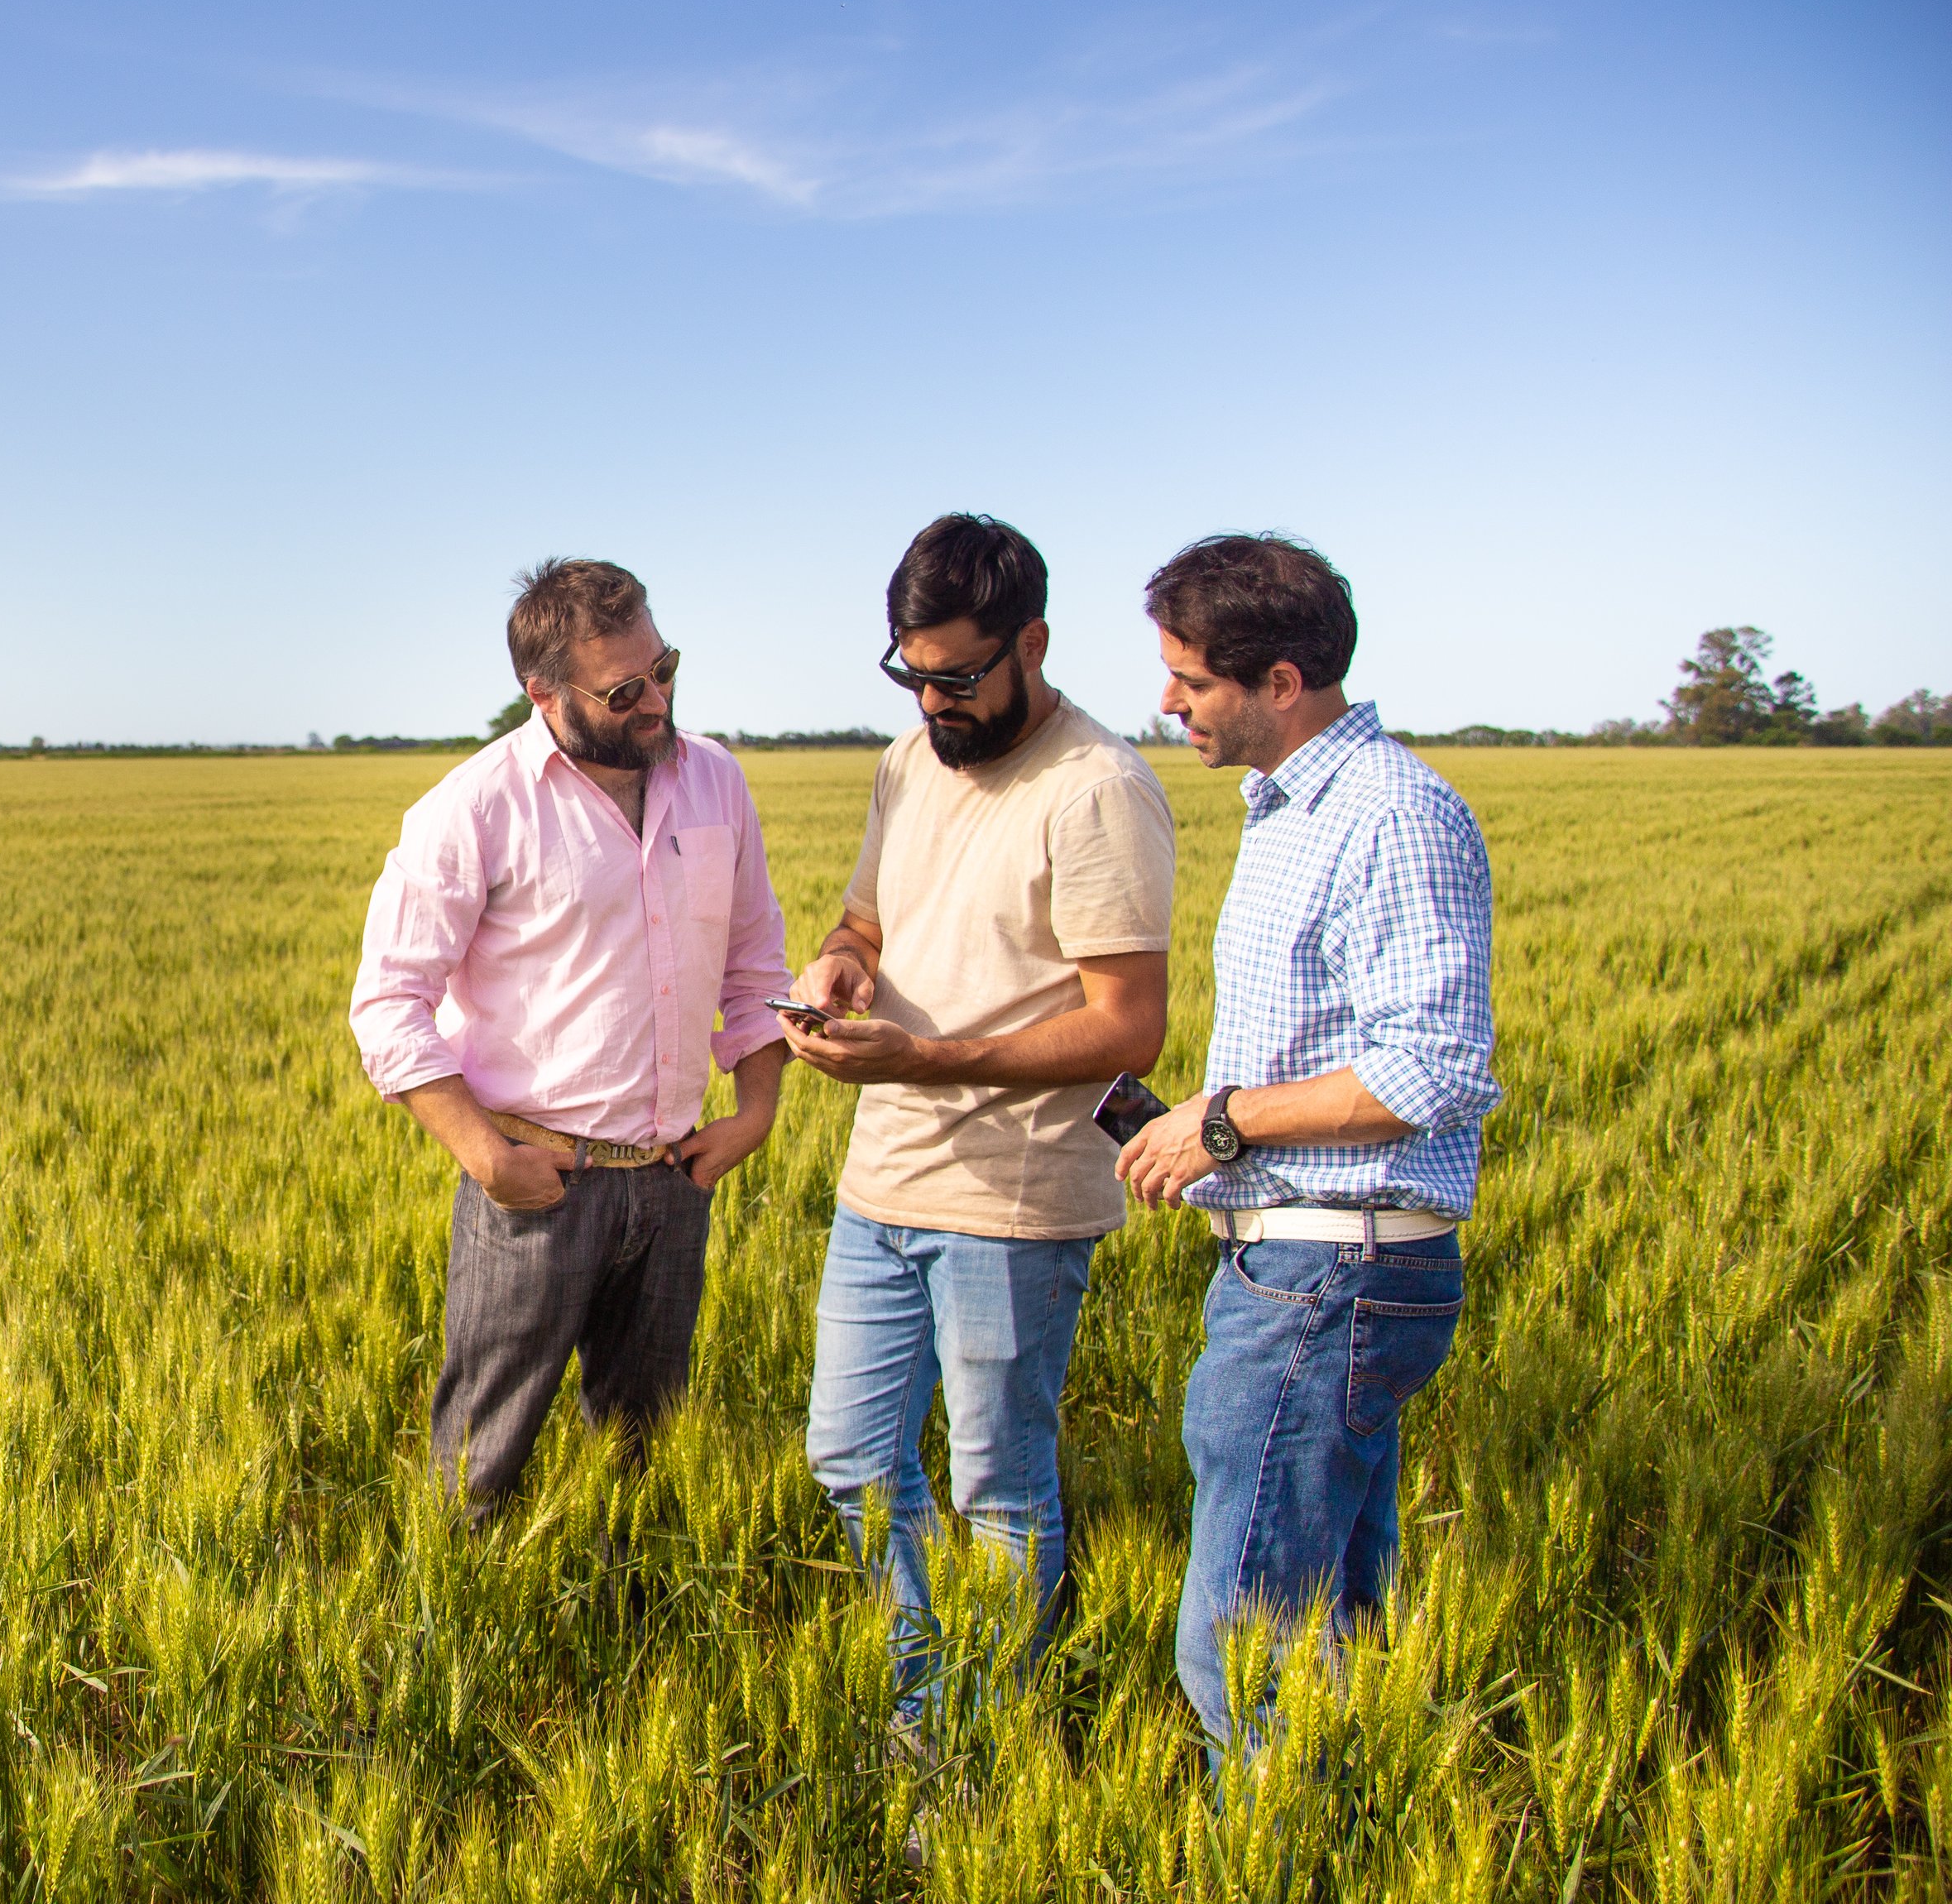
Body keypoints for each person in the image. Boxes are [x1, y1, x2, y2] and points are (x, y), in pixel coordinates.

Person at [780, 513, 1176, 1717]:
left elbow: (1128, 1026)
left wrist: (925, 1058)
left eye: (959, 676)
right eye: (914, 677)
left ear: (1032, 642)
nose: (935, 703)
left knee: (998, 1490)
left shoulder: (1096, 788)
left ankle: (980, 1738)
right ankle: (920, 1692)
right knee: (849, 1460)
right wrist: (836, 969)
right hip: (880, 1184)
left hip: (1014, 1200)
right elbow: (867, 923)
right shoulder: (909, 765)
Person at [1113, 534, 1499, 1755]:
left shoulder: (1391, 814)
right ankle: (1340, 1865)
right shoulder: (1291, 813)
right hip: (1302, 1263)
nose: (1167, 701)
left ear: (1283, 680)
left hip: (1330, 1274)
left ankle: (1259, 1888)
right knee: (1332, 1628)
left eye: (1190, 678)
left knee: (1240, 1648)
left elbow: (1432, 1067)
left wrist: (1221, 1123)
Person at [351, 559, 793, 1518]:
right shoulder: (471, 809)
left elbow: (757, 966)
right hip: (536, 1185)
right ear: (542, 692)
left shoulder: (714, 779)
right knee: (482, 1462)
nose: (657, 701)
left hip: (674, 1181)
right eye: (625, 689)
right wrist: (483, 1156)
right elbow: (388, 1001)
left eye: (665, 669)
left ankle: (629, 1638)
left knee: (645, 1462)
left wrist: (756, 1110)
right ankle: (465, 1637)